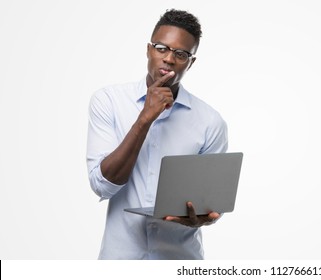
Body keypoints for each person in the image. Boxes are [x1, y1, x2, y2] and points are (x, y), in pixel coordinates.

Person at [86, 9, 227, 259]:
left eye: (181, 54)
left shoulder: (209, 121)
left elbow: (212, 201)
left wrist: (204, 217)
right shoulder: (108, 101)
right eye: (162, 48)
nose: (169, 59)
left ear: (191, 63)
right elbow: (101, 185)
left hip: (180, 261)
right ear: (149, 50)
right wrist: (145, 118)